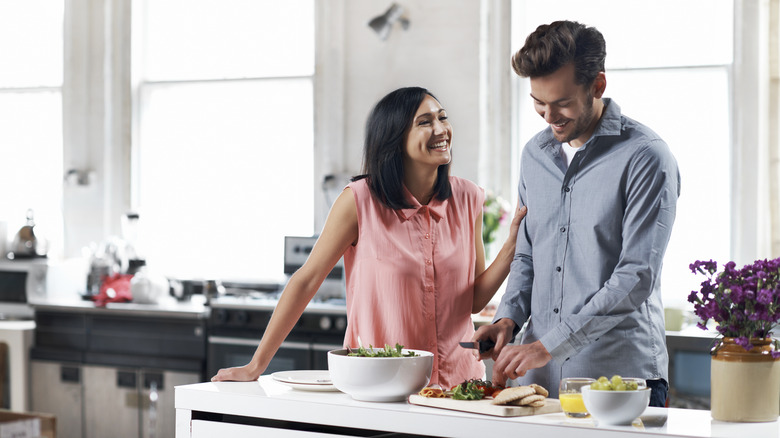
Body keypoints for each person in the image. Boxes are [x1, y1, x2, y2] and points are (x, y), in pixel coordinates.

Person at [212, 86, 526, 388]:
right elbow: (307, 280)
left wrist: (512, 246)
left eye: (442, 117)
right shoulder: (359, 201)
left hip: (459, 386)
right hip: (380, 385)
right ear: (395, 138)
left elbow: (472, 300)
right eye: (425, 122)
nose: (441, 129)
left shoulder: (468, 197)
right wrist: (256, 366)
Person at [473, 20, 680, 407]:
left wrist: (548, 345)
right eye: (538, 102)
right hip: (538, 378)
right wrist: (509, 319)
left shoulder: (646, 157)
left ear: (597, 86)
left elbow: (635, 277)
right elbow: (528, 254)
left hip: (619, 379)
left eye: (562, 102)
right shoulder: (534, 156)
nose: (549, 116)